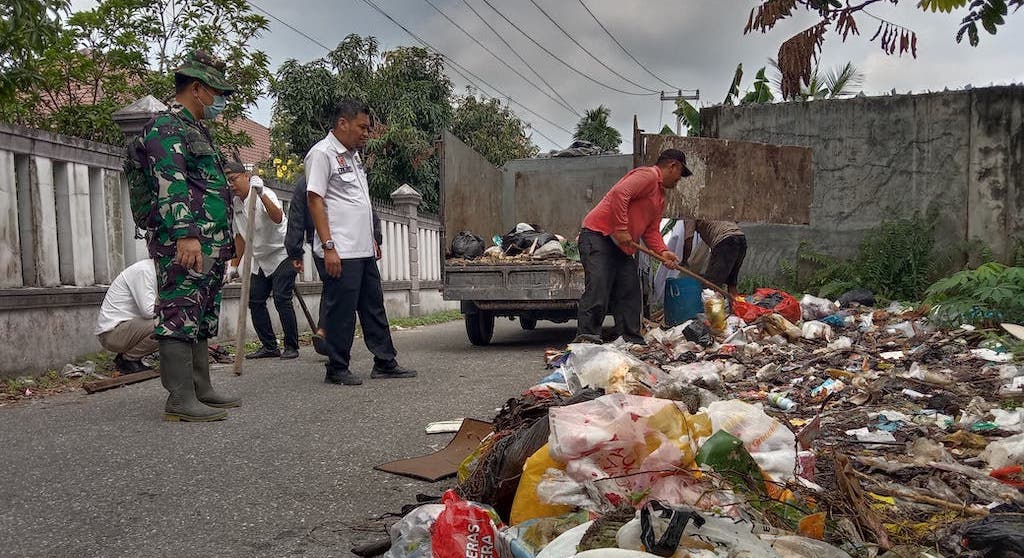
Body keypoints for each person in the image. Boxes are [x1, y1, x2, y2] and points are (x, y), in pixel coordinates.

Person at [140, 50, 239, 421]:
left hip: (210, 240)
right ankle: (179, 398)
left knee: (199, 313)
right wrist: (185, 235)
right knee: (179, 310)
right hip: (185, 241)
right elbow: (172, 183)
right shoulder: (166, 127)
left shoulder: (197, 130)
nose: (220, 100)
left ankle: (201, 388)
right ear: (197, 88)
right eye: (216, 91)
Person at [305, 99, 417, 385]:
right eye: (362, 127)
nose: (367, 133)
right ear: (343, 123)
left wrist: (372, 239)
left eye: (368, 128)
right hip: (340, 249)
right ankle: (337, 368)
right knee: (341, 310)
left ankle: (384, 361)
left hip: (362, 248)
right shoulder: (322, 154)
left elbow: (360, 203)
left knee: (373, 305)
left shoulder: (353, 156)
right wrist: (328, 246)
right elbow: (315, 200)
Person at [575, 149, 692, 344]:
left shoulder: (660, 197)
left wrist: (663, 252)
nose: (679, 180)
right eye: (680, 174)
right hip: (599, 236)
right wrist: (621, 228)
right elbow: (620, 194)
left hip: (621, 247)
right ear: (673, 166)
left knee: (630, 292)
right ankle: (587, 338)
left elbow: (651, 231)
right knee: (599, 288)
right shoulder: (648, 176)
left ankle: (630, 340)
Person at [284, 175, 383, 356]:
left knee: (336, 290)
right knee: (338, 292)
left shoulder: (349, 174)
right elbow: (297, 215)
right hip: (325, 245)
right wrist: (294, 250)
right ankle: (334, 348)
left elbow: (365, 207)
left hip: (355, 245)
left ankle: (326, 332)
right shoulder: (308, 182)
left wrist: (375, 237)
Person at [224, 162, 299, 360]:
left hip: (281, 253)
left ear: (246, 176)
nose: (231, 184)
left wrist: (261, 194)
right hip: (258, 259)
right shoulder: (236, 204)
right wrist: (233, 266)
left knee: (282, 298)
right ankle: (269, 346)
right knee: (255, 300)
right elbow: (239, 236)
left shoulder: (265, 194)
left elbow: (277, 217)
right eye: (228, 181)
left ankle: (291, 346)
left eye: (234, 179)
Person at [95, 259, 158, 374]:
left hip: (124, 330)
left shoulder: (154, 271)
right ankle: (128, 360)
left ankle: (129, 358)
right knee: (167, 325)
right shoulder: (144, 271)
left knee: (170, 321)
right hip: (112, 334)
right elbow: (148, 311)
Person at [682, 220, 747, 298]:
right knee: (731, 284)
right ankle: (737, 308)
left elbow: (688, 242)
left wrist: (684, 261)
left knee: (711, 286)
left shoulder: (690, 215)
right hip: (741, 239)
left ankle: (712, 309)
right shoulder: (714, 209)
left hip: (724, 241)